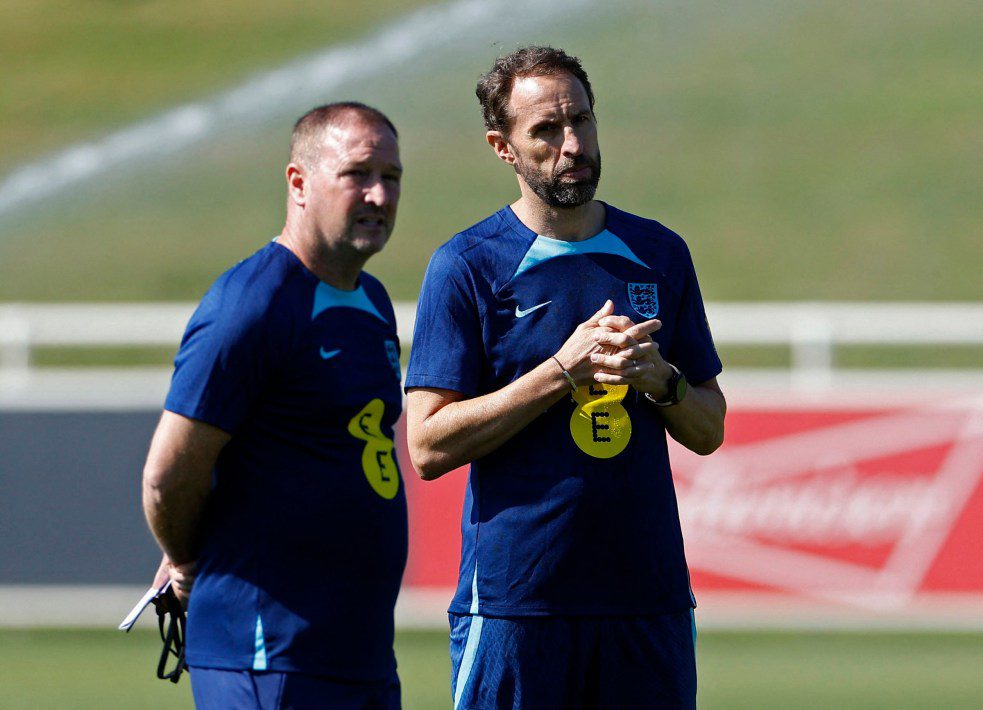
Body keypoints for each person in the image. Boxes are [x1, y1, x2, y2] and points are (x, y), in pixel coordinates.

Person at [405, 47, 726, 709]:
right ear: (503, 147)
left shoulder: (659, 253)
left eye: (581, 120)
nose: (572, 144)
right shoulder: (466, 265)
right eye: (546, 131)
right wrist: (558, 372)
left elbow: (709, 427)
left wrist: (660, 380)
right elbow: (428, 445)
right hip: (517, 606)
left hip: (647, 601)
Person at [142, 102, 408, 709]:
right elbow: (165, 478)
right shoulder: (253, 304)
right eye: (358, 174)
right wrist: (185, 561)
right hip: (268, 657)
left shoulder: (372, 299)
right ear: (299, 183)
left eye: (391, 178)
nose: (378, 195)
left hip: (358, 655)